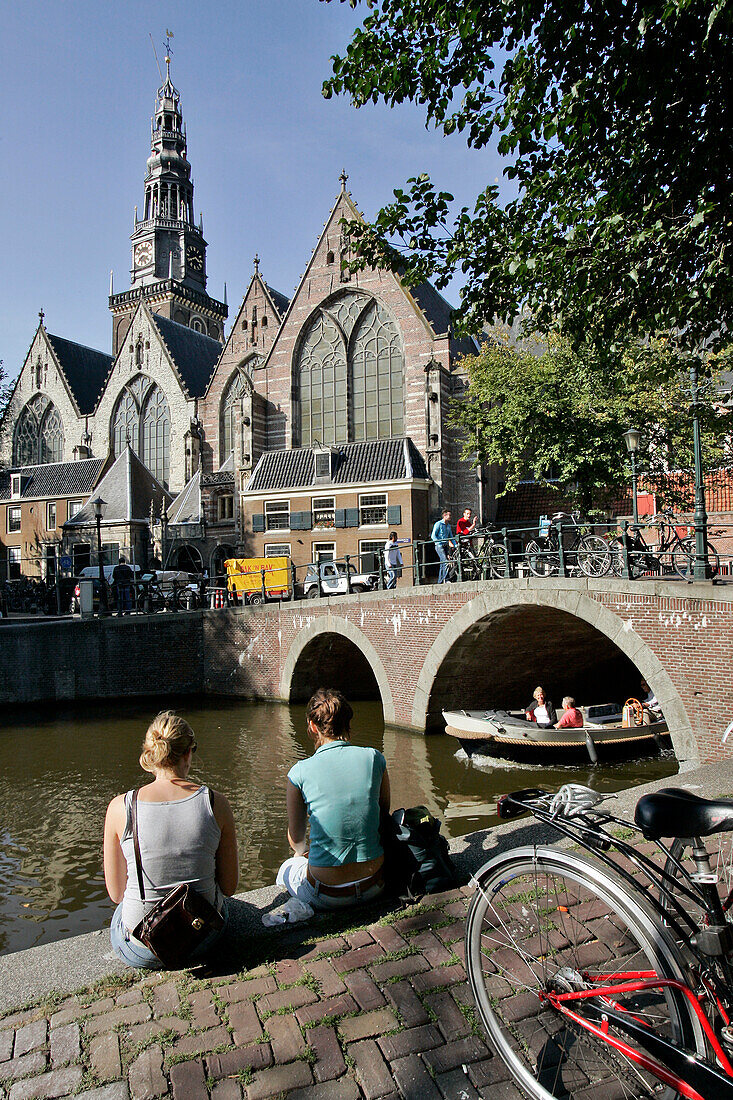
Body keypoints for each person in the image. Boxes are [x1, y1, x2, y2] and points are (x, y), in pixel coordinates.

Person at [103, 711, 238, 968]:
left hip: (145, 948)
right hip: (203, 937)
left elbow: (116, 893)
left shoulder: (120, 808)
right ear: (188, 754)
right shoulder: (215, 803)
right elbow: (229, 887)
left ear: (151, 753)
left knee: (123, 911)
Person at [277, 688, 390, 910]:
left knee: (288, 868)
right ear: (348, 722)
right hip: (374, 884)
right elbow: (382, 812)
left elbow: (297, 839)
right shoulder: (375, 758)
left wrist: (303, 852)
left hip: (328, 894)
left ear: (312, 726)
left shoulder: (299, 772)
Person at [431, 510, 457, 583]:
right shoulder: (438, 524)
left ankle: (440, 581)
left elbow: (451, 536)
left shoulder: (448, 525)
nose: (450, 517)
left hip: (446, 545)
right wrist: (438, 543)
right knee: (445, 562)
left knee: (443, 563)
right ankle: (446, 579)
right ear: (445, 515)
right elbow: (433, 535)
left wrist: (455, 545)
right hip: (440, 546)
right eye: (449, 515)